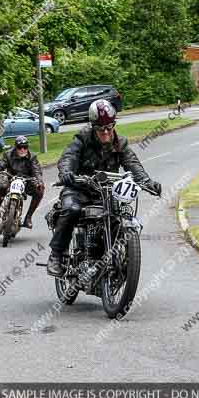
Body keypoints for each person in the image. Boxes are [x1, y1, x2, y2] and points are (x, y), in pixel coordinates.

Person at [46, 99, 161, 276]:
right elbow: (68, 156)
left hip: (106, 192)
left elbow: (132, 163)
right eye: (101, 128)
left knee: (118, 216)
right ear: (93, 127)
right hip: (79, 189)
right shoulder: (82, 138)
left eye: (110, 126)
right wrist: (67, 173)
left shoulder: (119, 142)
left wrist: (147, 182)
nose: (107, 132)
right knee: (71, 209)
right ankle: (56, 255)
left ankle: (113, 258)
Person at [0, 135, 45, 229]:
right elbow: (0, 164)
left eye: (25, 147)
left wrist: (39, 182)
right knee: (2, 186)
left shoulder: (32, 157)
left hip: (27, 181)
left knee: (40, 191)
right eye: (19, 147)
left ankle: (28, 218)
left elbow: (37, 171)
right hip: (11, 178)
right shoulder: (8, 154)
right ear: (15, 147)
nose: (22, 149)